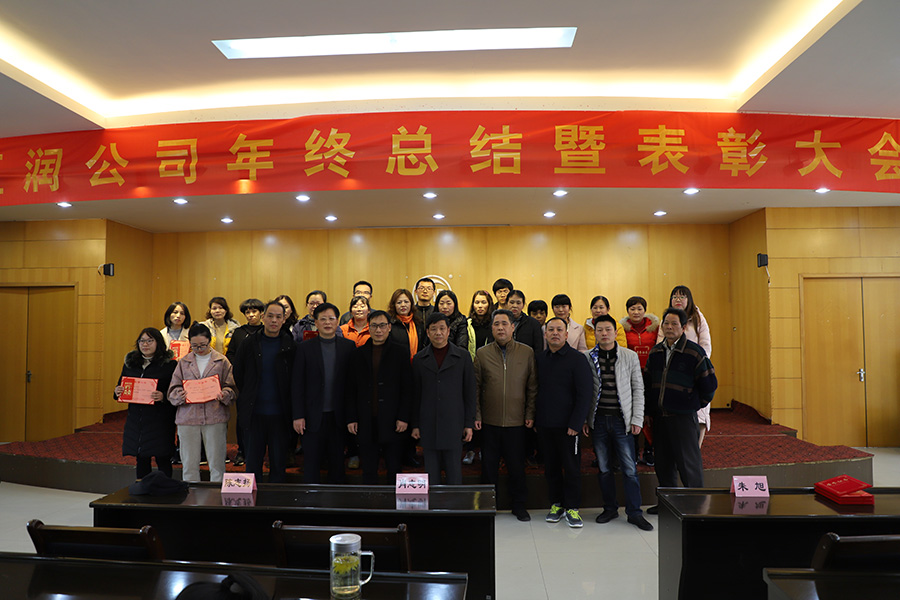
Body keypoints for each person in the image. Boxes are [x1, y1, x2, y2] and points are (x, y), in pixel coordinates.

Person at [644, 307, 718, 514]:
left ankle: (696, 508)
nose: (669, 327)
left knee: (688, 465)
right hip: (660, 418)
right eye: (666, 323)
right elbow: (648, 384)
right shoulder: (656, 352)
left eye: (674, 324)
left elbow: (709, 386)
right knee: (663, 464)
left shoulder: (694, 352)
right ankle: (668, 506)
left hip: (683, 418)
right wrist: (649, 411)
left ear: (684, 327)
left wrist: (692, 404)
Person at [584, 314, 653, 531]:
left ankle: (634, 513)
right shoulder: (587, 357)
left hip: (622, 421)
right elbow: (583, 391)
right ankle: (610, 508)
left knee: (629, 469)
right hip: (598, 421)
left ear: (615, 332)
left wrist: (637, 418)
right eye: (600, 330)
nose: (604, 333)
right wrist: (585, 419)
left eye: (608, 329)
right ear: (595, 333)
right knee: (604, 468)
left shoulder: (629, 356)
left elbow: (638, 389)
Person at [475, 309, 537, 521]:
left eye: (504, 324)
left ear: (513, 327)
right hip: (489, 421)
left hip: (517, 421)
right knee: (488, 468)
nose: (500, 328)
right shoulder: (482, 354)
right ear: (491, 328)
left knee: (516, 467)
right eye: (496, 324)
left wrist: (530, 413)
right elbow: (475, 388)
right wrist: (477, 415)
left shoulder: (526, 352)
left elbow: (532, 387)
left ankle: (519, 505)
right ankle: (487, 506)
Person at [535, 317, 592, 528]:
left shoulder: (577, 359)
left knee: (571, 468)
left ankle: (573, 508)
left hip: (569, 426)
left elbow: (585, 394)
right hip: (545, 424)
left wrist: (576, 423)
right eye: (551, 330)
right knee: (551, 467)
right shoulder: (540, 359)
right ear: (545, 334)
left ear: (567, 334)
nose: (555, 333)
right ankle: (556, 504)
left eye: (559, 329)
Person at [232, 301, 297, 483]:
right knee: (252, 464)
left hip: (281, 415)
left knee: (278, 464)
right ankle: (252, 500)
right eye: (270, 316)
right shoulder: (248, 343)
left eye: (278, 317)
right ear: (263, 317)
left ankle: (276, 499)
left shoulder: (290, 345)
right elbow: (238, 373)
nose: (274, 320)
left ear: (284, 320)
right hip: (254, 413)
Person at [291, 302, 356, 483]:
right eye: (323, 319)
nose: (327, 322)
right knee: (311, 464)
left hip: (338, 417)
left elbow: (353, 386)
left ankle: (337, 499)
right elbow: (297, 384)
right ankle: (311, 499)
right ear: (316, 323)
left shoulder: (348, 347)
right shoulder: (304, 348)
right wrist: (298, 415)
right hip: (311, 417)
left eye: (331, 318)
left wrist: (352, 417)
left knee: (337, 464)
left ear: (337, 322)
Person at [346, 310, 412, 484]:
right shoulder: (358, 354)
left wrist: (404, 417)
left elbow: (407, 389)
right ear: (369, 328)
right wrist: (352, 418)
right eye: (374, 326)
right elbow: (351, 389)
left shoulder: (400, 352)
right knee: (368, 469)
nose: (378, 330)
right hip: (366, 420)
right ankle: (369, 500)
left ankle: (394, 502)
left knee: (394, 467)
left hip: (393, 421)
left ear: (389, 327)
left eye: (382, 325)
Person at [167, 322, 237, 483]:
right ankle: (191, 494)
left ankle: (217, 495)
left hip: (215, 416)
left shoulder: (222, 361)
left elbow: (232, 387)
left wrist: (225, 394)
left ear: (210, 341)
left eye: (203, 345)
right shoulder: (183, 362)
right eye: (194, 346)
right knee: (189, 463)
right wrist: (179, 395)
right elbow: (172, 390)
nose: (199, 349)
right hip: (188, 417)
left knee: (217, 463)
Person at [411, 312, 476, 485]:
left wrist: (469, 424)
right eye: (434, 329)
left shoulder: (463, 357)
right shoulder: (419, 359)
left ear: (448, 331)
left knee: (454, 475)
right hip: (428, 424)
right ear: (428, 332)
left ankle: (453, 504)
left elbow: (470, 393)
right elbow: (415, 395)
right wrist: (415, 424)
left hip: (454, 423)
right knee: (431, 476)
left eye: (442, 328)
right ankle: (433, 504)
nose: (438, 333)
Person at [115, 327, 178, 479]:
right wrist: (117, 391)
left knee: (162, 456)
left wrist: (163, 396)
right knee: (141, 456)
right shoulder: (131, 363)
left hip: (160, 418)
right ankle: (142, 489)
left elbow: (176, 391)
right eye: (142, 341)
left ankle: (165, 487)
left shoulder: (169, 365)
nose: (145, 344)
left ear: (158, 342)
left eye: (150, 341)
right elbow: (121, 386)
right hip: (137, 418)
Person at [657, 285, 713, 446]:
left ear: (689, 300)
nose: (678, 300)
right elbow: (660, 344)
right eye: (675, 296)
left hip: (695, 370)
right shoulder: (666, 319)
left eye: (682, 297)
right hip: (673, 372)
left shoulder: (698, 318)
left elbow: (705, 345)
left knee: (700, 414)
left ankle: (696, 448)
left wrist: (698, 366)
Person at [226, 298, 266, 467]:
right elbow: (231, 354)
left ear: (261, 313)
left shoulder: (266, 331)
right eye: (247, 312)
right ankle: (242, 451)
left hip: (264, 381)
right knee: (243, 418)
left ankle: (262, 452)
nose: (251, 315)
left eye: (254, 311)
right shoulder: (239, 332)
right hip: (244, 382)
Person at [620, 295, 660, 466]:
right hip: (630, 377)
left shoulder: (655, 328)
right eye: (632, 309)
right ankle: (634, 450)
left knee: (650, 414)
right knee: (632, 414)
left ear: (645, 310)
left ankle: (650, 450)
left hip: (651, 377)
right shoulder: (622, 329)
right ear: (627, 311)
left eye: (639, 308)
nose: (636, 312)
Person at [388, 288, 424, 361]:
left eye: (406, 302)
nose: (403, 305)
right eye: (399, 302)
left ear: (411, 304)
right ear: (394, 305)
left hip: (417, 363)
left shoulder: (418, 322)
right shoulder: (389, 324)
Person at [506, 289, 543, 357]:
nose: (515, 306)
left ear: (523, 305)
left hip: (526, 360)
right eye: (511, 302)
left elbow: (538, 348)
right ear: (506, 304)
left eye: (518, 303)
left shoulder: (533, 323)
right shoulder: (501, 322)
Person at [435, 289, 469, 355]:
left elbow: (462, 345)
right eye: (441, 303)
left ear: (455, 305)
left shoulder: (461, 320)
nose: (445, 307)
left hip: (455, 356)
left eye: (448, 303)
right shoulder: (432, 320)